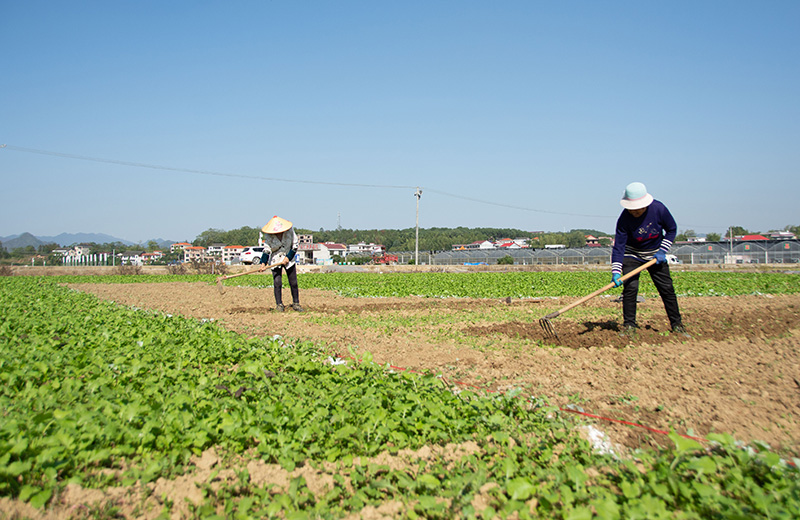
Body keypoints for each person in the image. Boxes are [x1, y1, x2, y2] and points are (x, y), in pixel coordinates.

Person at [611, 182, 688, 337]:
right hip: (632, 254)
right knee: (630, 289)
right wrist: (616, 271)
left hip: (655, 255)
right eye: (632, 209)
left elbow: (672, 229)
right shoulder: (624, 219)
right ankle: (629, 326)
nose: (635, 212)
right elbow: (619, 246)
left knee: (667, 289)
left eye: (638, 208)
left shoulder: (659, 209)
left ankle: (677, 324)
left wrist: (662, 251)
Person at [258, 215, 304, 312]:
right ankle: (279, 304)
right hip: (276, 259)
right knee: (277, 282)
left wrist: (288, 257)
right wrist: (263, 263)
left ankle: (296, 303)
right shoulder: (269, 236)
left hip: (289, 259)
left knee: (293, 282)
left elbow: (295, 245)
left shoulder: (290, 231)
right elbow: (267, 250)